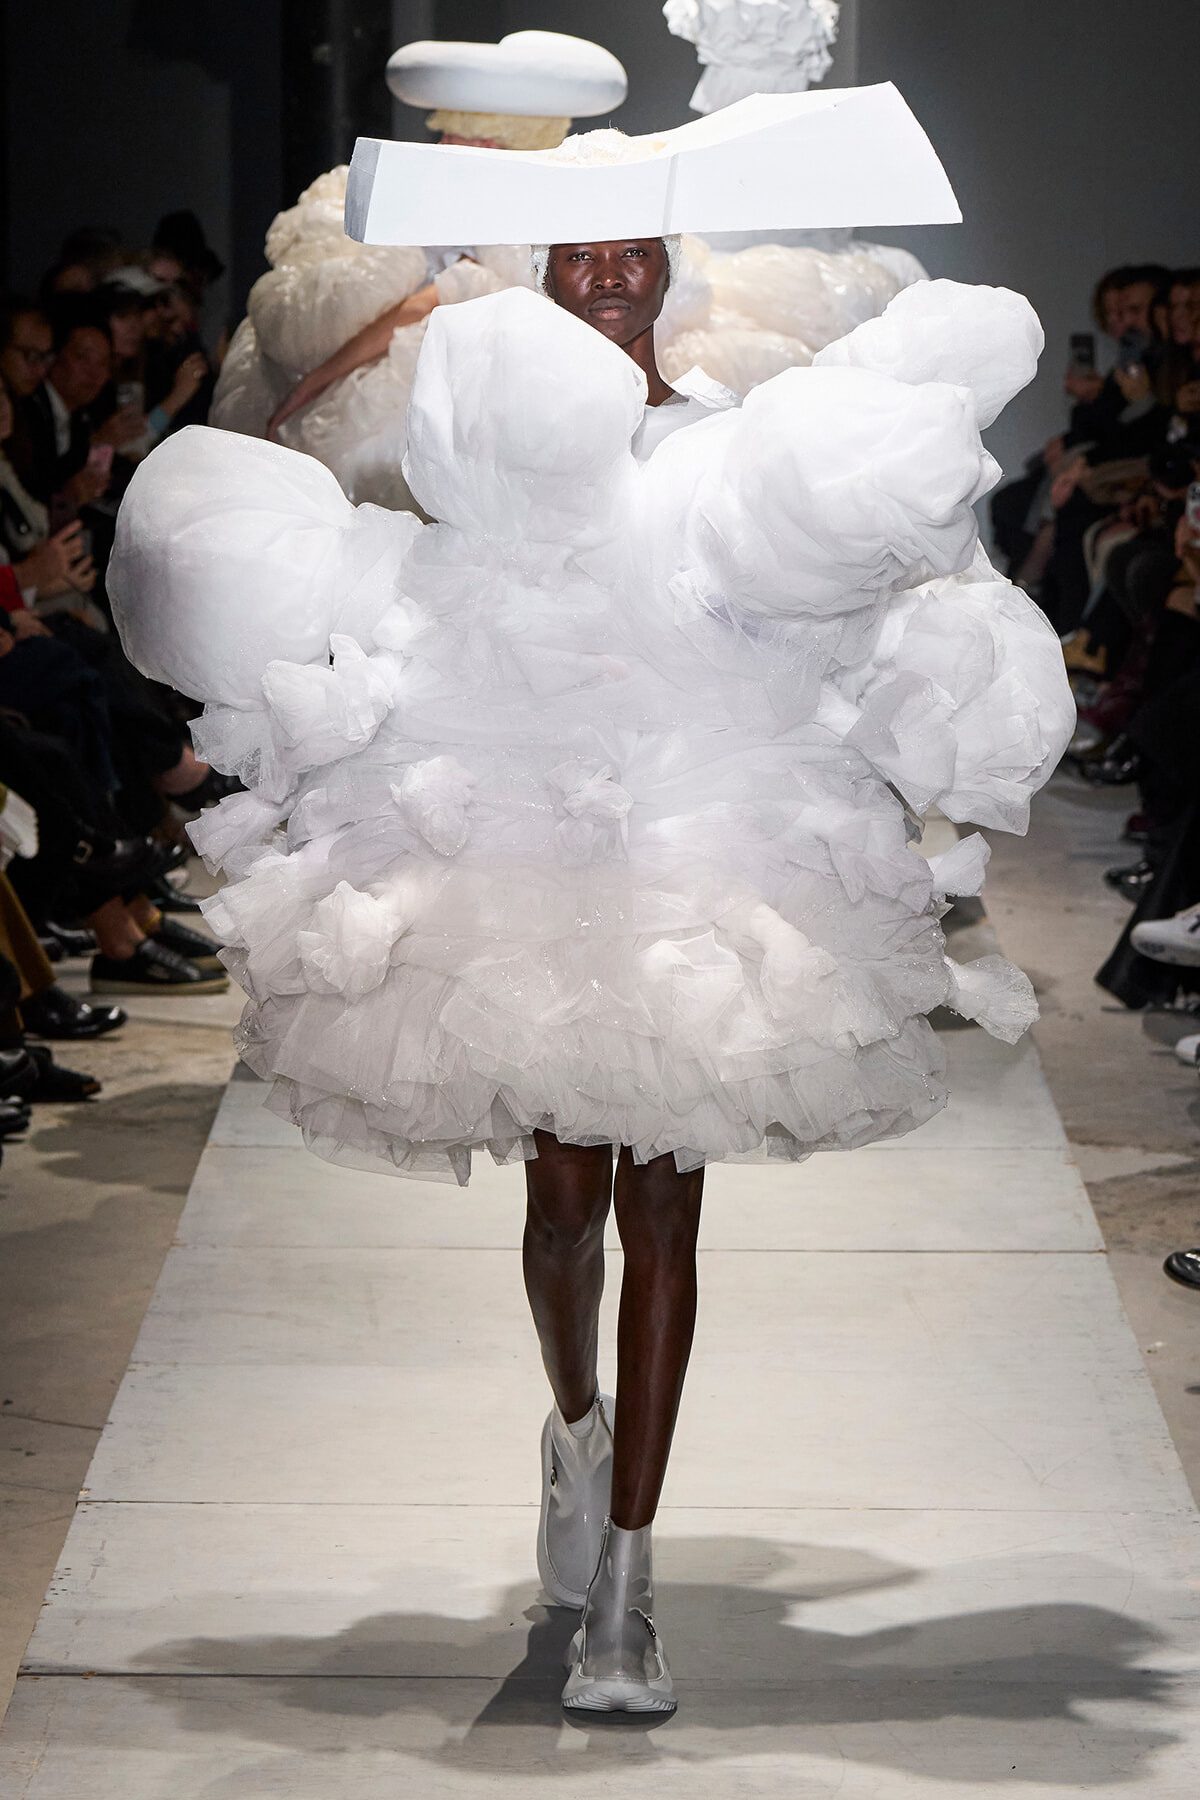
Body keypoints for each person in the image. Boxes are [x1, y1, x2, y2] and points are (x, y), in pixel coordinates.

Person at [109, 97, 1074, 1715]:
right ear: (553, 272)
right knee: (564, 1208)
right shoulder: (474, 426)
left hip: (705, 853)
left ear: (665, 276)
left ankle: (632, 1580)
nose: (615, 270)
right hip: (525, 855)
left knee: (667, 1206)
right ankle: (570, 1430)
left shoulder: (725, 429)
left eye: (639, 250)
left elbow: (808, 600)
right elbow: (417, 600)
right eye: (590, 250)